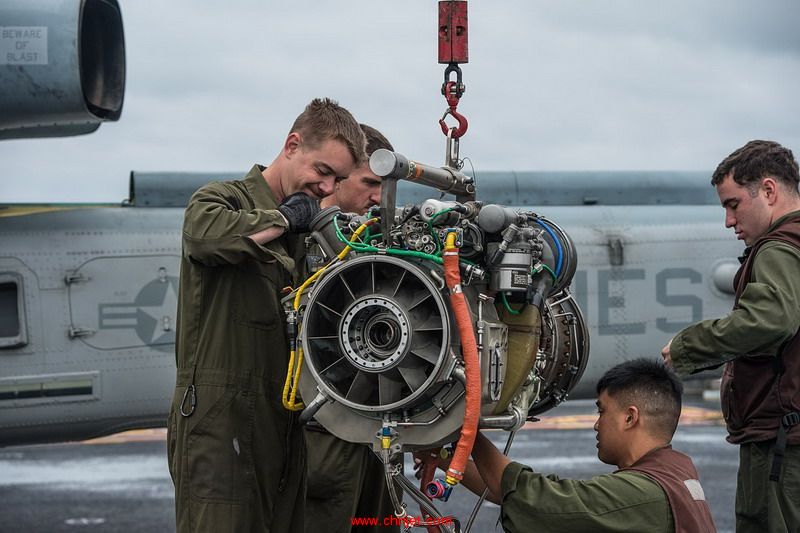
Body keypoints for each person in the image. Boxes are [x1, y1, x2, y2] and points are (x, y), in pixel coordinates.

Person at [166, 97, 366, 533]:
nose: (328, 188)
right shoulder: (220, 200)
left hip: (284, 427)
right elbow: (205, 236)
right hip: (221, 426)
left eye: (338, 180)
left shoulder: (306, 234)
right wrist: (283, 219)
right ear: (292, 145)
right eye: (323, 172)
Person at [662, 140, 800, 532]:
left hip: (781, 447)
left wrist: (689, 346)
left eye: (733, 204)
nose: (728, 221)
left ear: (769, 191)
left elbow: (771, 320)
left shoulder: (778, 248)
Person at [418, 358, 715, 532]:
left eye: (602, 411)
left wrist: (466, 427)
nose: (597, 423)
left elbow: (536, 499)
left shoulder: (644, 494)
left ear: (629, 417)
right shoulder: (675, 470)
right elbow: (507, 492)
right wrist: (448, 460)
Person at [304, 123, 401, 533]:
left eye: (386, 186)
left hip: (376, 435)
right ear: (338, 180)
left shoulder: (378, 246)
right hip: (323, 434)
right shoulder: (300, 240)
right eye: (369, 183)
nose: (379, 197)